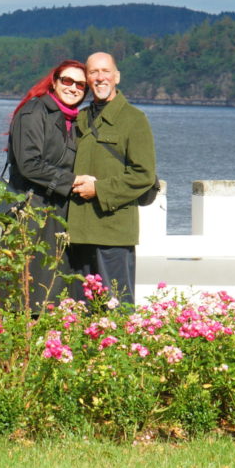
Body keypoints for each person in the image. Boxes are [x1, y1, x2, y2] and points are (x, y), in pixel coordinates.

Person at [68, 52, 157, 306]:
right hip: (78, 233)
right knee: (81, 313)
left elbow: (144, 175)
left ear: (116, 77)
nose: (100, 78)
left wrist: (99, 189)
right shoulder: (81, 118)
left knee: (117, 310)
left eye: (105, 71)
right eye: (93, 72)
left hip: (113, 234)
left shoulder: (134, 119)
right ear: (87, 78)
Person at [4, 59, 90, 312]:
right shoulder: (33, 112)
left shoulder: (76, 121)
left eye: (81, 85)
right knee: (30, 293)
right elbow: (29, 163)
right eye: (67, 81)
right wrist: (72, 181)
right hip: (31, 213)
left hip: (60, 213)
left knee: (59, 291)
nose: (73, 88)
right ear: (54, 82)